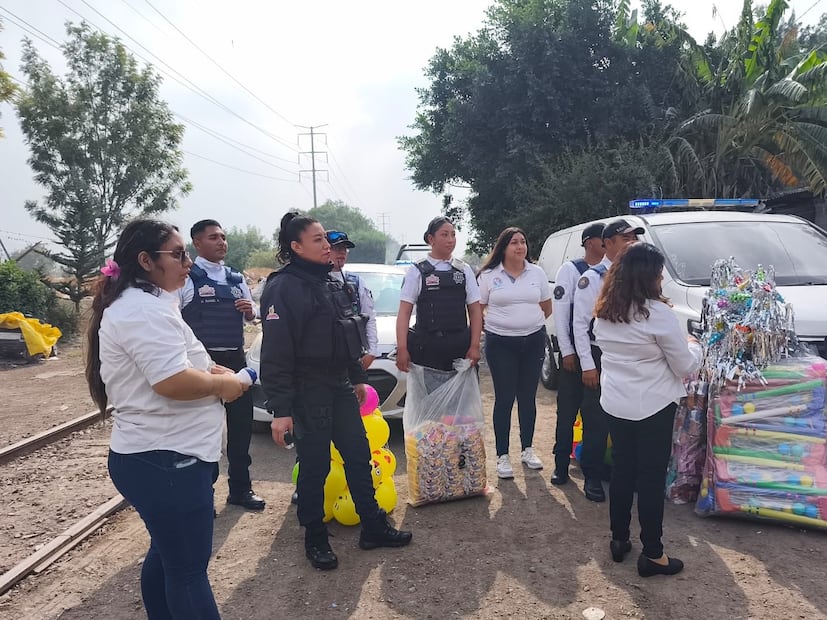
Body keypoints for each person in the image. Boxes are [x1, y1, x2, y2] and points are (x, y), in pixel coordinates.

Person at [85, 218, 248, 619]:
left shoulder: (154, 303)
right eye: (177, 254)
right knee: (188, 572)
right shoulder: (141, 310)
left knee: (168, 556)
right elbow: (172, 381)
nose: (187, 263)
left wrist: (212, 372)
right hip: (166, 460)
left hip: (164, 457)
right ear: (145, 261)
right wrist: (223, 386)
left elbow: (178, 364)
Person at [260, 212, 412, 571]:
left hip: (339, 384)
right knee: (315, 467)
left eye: (325, 239)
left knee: (358, 456)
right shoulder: (283, 288)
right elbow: (276, 352)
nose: (327, 245)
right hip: (307, 389)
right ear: (296, 247)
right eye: (317, 240)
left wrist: (357, 377)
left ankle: (373, 526)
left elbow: (346, 336)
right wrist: (281, 410)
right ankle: (315, 538)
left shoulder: (331, 281)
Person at [593, 242, 701, 576]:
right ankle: (653, 553)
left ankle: (619, 539)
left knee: (622, 471)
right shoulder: (657, 314)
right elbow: (684, 366)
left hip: (615, 403)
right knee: (651, 478)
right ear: (647, 276)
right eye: (659, 272)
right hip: (653, 405)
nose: (662, 277)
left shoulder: (605, 312)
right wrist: (695, 347)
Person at [179, 219, 265, 511]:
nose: (221, 242)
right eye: (213, 237)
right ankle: (203, 497)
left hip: (236, 361)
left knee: (240, 431)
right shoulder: (188, 278)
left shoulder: (235, 278)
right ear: (197, 243)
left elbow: (252, 316)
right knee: (205, 434)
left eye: (223, 237)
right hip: (202, 367)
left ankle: (240, 490)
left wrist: (250, 310)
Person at [571, 218, 641, 502]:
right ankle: (592, 475)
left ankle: (623, 472)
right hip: (599, 355)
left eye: (635, 238)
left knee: (628, 417)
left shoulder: (638, 276)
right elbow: (580, 324)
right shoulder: (592, 278)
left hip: (629, 357)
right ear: (608, 243)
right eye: (626, 239)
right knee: (596, 420)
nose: (632, 243)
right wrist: (588, 365)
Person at [477, 227, 551, 479]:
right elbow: (478, 309)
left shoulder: (536, 273)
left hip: (533, 341)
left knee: (528, 397)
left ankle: (527, 449)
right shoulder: (489, 275)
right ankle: (502, 456)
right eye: (514, 243)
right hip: (501, 343)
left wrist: (528, 324)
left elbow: (546, 306)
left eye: (523, 242)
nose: (520, 247)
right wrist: (497, 327)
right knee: (505, 398)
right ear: (503, 247)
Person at [550, 223, 606, 485]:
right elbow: (562, 315)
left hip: (597, 353)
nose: (606, 243)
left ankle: (593, 472)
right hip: (574, 353)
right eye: (602, 239)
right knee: (567, 413)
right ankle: (561, 464)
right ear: (589, 242)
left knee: (596, 416)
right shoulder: (571, 270)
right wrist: (567, 352)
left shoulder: (609, 273)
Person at [395, 216, 483, 373]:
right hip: (427, 348)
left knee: (461, 390)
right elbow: (404, 312)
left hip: (459, 346)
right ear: (431, 239)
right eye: (444, 235)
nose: (450, 240)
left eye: (453, 235)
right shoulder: (417, 271)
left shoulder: (464, 270)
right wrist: (402, 348)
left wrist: (475, 345)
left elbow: (475, 310)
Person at [327, 230, 380, 371]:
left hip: (354, 355)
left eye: (344, 249)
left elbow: (369, 316)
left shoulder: (356, 282)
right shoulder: (316, 281)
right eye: (336, 248)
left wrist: (372, 351)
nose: (341, 253)